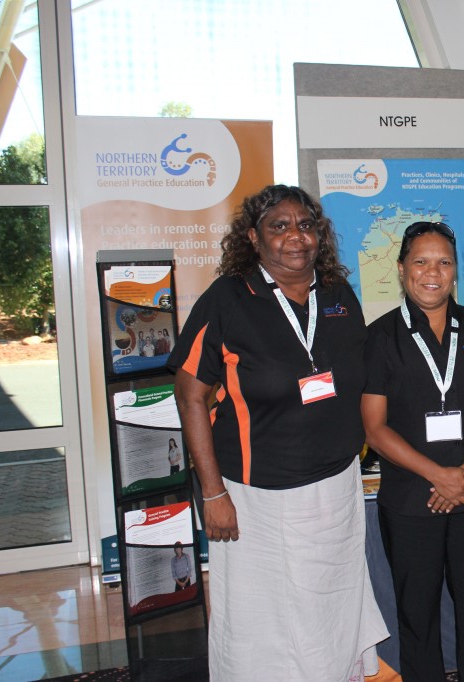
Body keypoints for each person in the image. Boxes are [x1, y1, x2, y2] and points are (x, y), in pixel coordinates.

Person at [168, 184, 387, 681]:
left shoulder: (337, 293)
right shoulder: (228, 299)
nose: (296, 237)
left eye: (306, 225)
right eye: (279, 226)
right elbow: (190, 397)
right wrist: (212, 492)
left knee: (329, 605)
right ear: (254, 237)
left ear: (319, 235)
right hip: (256, 497)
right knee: (261, 619)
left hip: (336, 488)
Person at [361, 221, 464, 681]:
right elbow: (374, 428)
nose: (433, 272)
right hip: (412, 498)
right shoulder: (380, 337)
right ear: (401, 268)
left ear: (455, 271)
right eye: (421, 261)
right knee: (417, 615)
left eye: (444, 262)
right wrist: (439, 475)